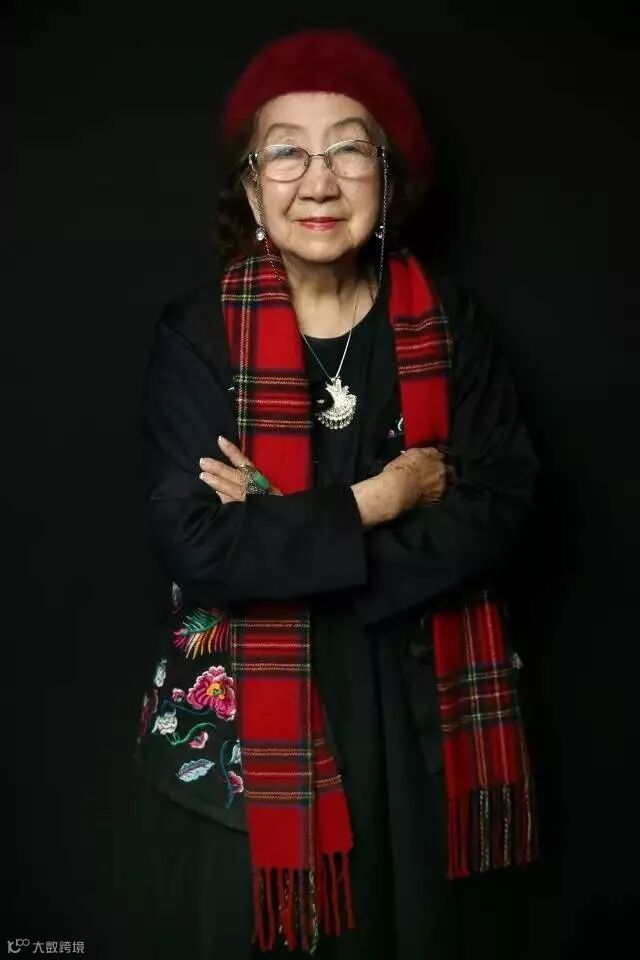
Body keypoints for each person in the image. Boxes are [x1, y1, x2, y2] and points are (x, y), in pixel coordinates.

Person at [123, 28, 540, 960]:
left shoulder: (448, 320)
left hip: (420, 719)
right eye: (286, 153)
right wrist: (383, 499)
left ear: (387, 180)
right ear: (251, 188)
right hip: (251, 744)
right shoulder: (196, 336)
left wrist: (282, 529)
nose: (318, 181)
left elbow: (501, 504)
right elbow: (198, 545)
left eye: (350, 150)